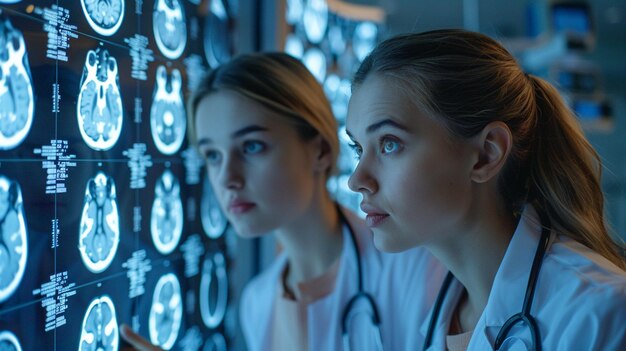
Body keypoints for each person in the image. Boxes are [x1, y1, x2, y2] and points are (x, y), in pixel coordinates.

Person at [121, 52, 445, 350]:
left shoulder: (418, 268)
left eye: (251, 147)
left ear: (319, 150)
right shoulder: (257, 303)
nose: (227, 178)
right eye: (212, 155)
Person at [345, 28, 626, 350]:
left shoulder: (600, 314)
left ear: (485, 155)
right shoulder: (432, 311)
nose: (357, 179)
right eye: (357, 148)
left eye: (389, 144)